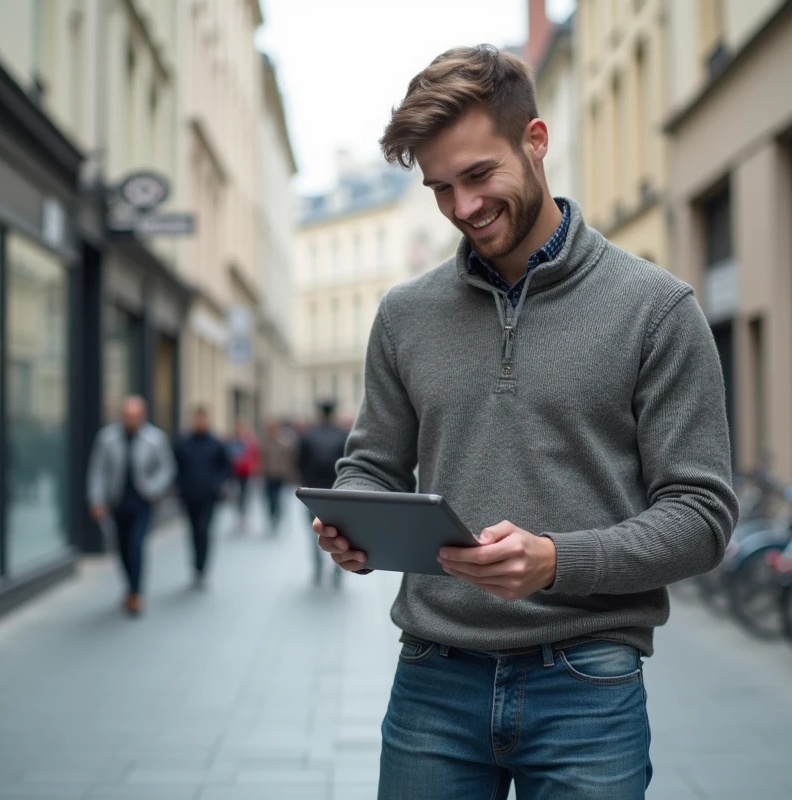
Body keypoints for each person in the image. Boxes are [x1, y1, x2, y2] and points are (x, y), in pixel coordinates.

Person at [312, 45, 738, 799]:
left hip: (587, 684)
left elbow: (702, 517)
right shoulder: (404, 315)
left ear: (535, 141)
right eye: (440, 188)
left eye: (479, 176)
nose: (463, 208)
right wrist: (356, 524)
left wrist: (555, 560)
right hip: (431, 680)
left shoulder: (657, 310)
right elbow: (371, 463)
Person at [87, 395, 176, 616]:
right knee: (122, 548)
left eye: (135, 416)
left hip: (142, 502)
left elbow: (167, 469)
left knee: (136, 545)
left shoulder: (155, 439)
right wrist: (96, 500)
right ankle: (129, 586)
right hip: (116, 501)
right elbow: (98, 470)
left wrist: (155, 490)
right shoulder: (107, 438)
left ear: (142, 416)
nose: (131, 420)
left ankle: (136, 593)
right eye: (127, 416)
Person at [173, 406, 232, 588]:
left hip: (208, 496)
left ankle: (202, 568)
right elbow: (175, 466)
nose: (199, 422)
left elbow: (225, 467)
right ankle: (196, 567)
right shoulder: (183, 443)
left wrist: (218, 484)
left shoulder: (215, 443)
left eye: (202, 419)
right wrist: (178, 486)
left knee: (203, 531)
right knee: (193, 532)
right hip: (189, 496)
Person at [298, 399, 350, 587]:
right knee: (340, 532)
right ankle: (338, 567)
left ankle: (318, 566)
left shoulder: (308, 435)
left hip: (313, 492)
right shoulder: (343, 435)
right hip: (337, 491)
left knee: (314, 530)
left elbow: (300, 462)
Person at [260, 418, 298, 532]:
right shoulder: (264, 441)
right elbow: (261, 458)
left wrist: (290, 472)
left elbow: (289, 458)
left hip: (280, 474)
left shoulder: (284, 441)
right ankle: (272, 514)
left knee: (277, 497)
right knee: (269, 498)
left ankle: (277, 515)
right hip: (268, 474)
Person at [226, 419, 260, 532]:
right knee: (236, 495)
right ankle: (240, 515)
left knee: (245, 495)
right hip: (234, 472)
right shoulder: (231, 441)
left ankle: (243, 516)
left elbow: (254, 455)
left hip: (245, 472)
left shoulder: (248, 441)